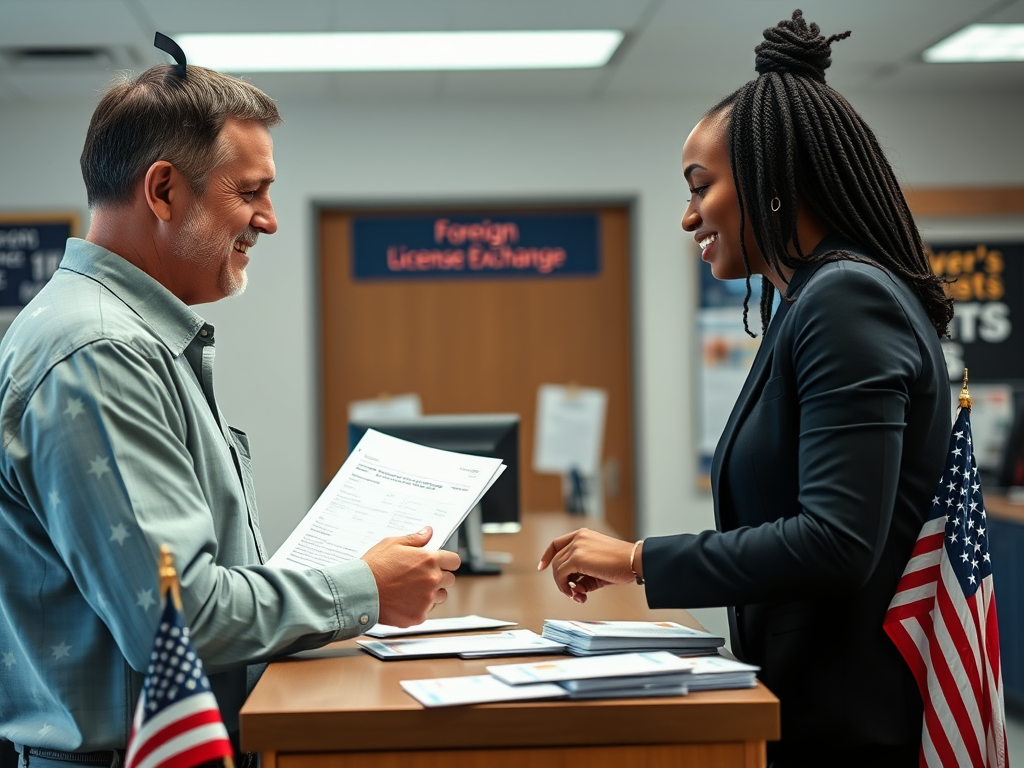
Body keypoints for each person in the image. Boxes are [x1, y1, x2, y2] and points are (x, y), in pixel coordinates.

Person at [0, 61, 460, 763]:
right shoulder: (99, 352)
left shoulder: (127, 336)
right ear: (162, 190)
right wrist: (365, 586)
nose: (269, 220)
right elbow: (180, 616)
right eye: (250, 193)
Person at [538, 10, 953, 767]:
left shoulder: (844, 301)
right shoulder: (808, 305)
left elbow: (836, 541)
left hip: (846, 723)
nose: (688, 214)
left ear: (772, 181)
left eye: (701, 186)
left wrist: (637, 560)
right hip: (804, 702)